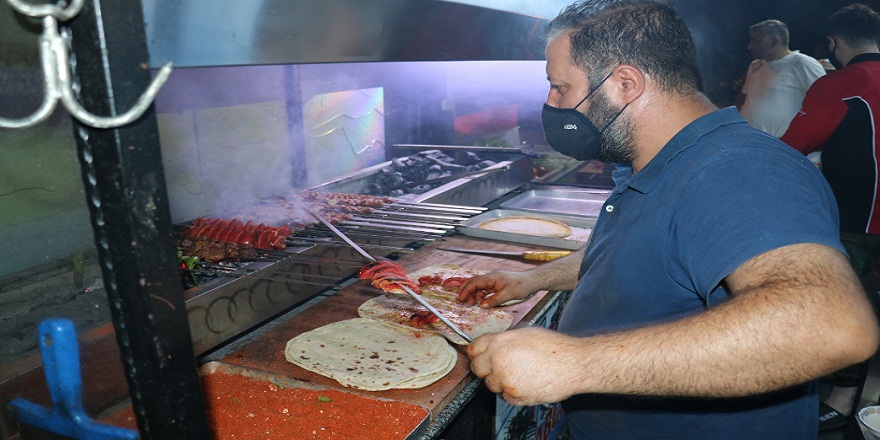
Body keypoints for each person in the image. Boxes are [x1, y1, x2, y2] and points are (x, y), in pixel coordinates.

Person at [456, 1, 880, 439]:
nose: (551, 103)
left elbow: (828, 326)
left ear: (625, 84)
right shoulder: (660, 162)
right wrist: (531, 279)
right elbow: (637, 255)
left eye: (560, 87)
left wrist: (575, 363)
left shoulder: (739, 170)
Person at [779, 3, 880, 431]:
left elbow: (791, 147)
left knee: (846, 308)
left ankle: (839, 402)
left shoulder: (841, 82)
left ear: (835, 43)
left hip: (859, 221)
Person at [736, 19, 826, 137]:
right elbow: (745, 98)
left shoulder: (803, 63)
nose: (749, 47)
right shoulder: (755, 65)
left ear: (774, 42)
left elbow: (826, 103)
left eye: (755, 41)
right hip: (751, 142)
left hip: (782, 146)